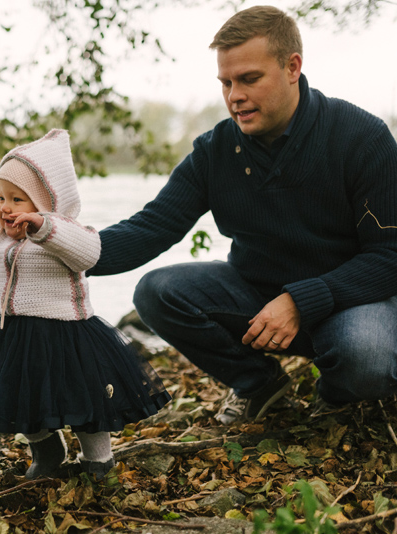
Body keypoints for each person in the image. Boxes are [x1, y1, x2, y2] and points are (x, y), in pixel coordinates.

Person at [89, 5, 397, 424]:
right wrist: (61, 247)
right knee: (155, 291)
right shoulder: (214, 151)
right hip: (255, 298)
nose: (234, 95)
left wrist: (301, 301)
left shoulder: (363, 138)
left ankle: (333, 397)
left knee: (367, 357)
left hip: (350, 302)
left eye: (249, 79)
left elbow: (389, 256)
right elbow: (152, 226)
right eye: (226, 82)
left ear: (293, 67)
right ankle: (261, 386)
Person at [0, 129, 171, 479]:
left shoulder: (64, 233)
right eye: (0, 198)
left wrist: (43, 227)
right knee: (18, 398)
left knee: (85, 402)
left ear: (45, 203)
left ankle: (98, 460)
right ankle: (46, 449)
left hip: (68, 336)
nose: (6, 208)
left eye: (17, 199)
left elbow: (88, 252)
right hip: (17, 335)